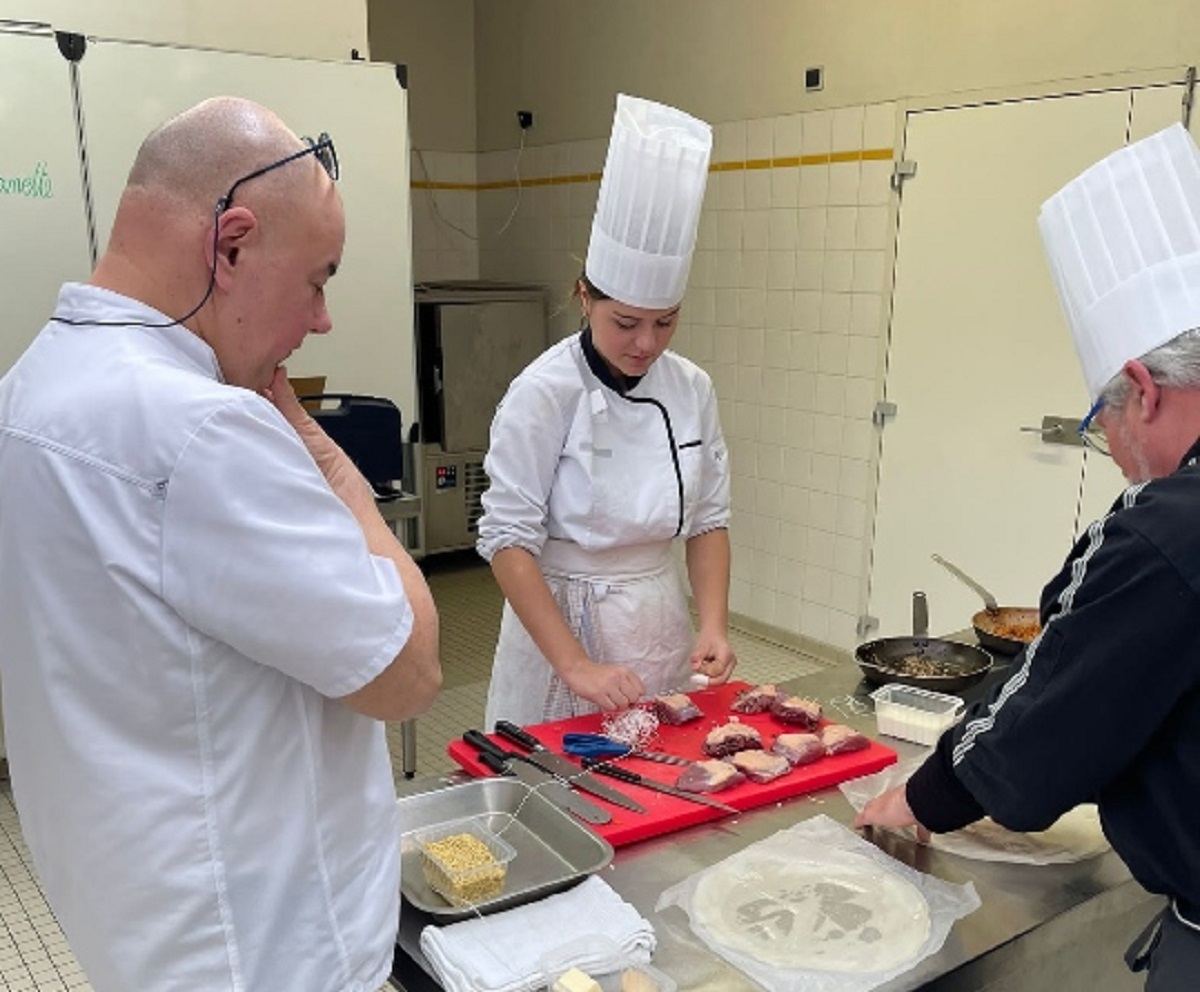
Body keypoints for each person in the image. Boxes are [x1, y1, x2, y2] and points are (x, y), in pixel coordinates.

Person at [0, 97, 441, 992]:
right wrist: (333, 463)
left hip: (141, 920)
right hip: (267, 948)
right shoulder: (202, 432)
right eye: (319, 279)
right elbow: (408, 673)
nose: (320, 321)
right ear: (230, 244)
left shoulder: (31, 385)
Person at [855, 123, 1200, 990]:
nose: (1112, 453)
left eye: (1102, 423)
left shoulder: (1170, 527)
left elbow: (1057, 705)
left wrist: (925, 794)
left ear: (1144, 390)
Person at [477, 94, 736, 727]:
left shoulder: (691, 387)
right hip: (560, 626)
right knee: (563, 797)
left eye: (664, 323)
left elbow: (708, 521)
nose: (646, 344)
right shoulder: (543, 391)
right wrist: (575, 666)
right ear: (584, 297)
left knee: (658, 791)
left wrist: (714, 624)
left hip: (655, 619)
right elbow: (508, 542)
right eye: (625, 322)